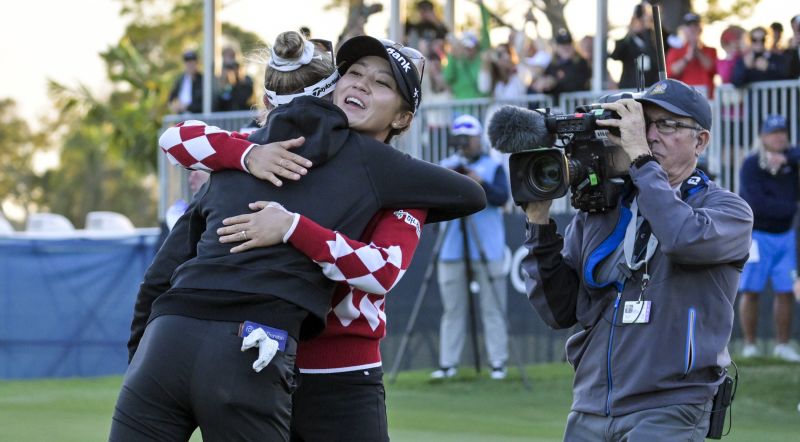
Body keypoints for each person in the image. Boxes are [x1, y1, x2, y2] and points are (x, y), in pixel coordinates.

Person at [112, 32, 486, 441]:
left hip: (337, 377)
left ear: (402, 117)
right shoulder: (265, 153)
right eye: (354, 72)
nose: (361, 83)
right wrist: (246, 155)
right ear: (331, 84)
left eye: (381, 82)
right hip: (260, 356)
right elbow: (176, 142)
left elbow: (385, 269)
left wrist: (292, 228)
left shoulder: (403, 183)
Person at [521, 78, 753, 440]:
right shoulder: (601, 210)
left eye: (669, 125)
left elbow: (681, 238)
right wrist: (539, 224)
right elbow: (559, 311)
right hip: (591, 403)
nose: (650, 135)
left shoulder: (727, 209)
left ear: (701, 141)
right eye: (645, 125)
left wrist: (642, 161)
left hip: (671, 405)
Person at [431, 114, 510, 380]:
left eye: (470, 137)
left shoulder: (493, 166)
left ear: (479, 138)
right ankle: (447, 364)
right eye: (461, 138)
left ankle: (498, 362)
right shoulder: (446, 167)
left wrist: (480, 182)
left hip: (488, 249)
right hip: (451, 248)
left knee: (493, 307)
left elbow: (501, 198)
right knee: (452, 309)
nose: (466, 143)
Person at [738, 114, 800, 362]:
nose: (779, 137)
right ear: (763, 137)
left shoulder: (791, 161)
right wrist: (787, 208)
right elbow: (756, 204)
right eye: (774, 133)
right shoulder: (752, 164)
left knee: (785, 291)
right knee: (750, 290)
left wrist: (787, 158)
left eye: (782, 133)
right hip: (758, 236)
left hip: (785, 236)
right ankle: (750, 344)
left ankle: (782, 345)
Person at [666, 13, 717, 97]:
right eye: (689, 26)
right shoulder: (674, 51)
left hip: (707, 98)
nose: (692, 28)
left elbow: (712, 69)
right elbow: (670, 73)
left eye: (695, 25)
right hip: (684, 99)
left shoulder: (711, 50)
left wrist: (698, 51)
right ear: (684, 29)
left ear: (701, 28)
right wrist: (687, 58)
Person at [610, 2, 660, 89]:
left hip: (651, 88)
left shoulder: (656, 40)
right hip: (630, 88)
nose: (641, 22)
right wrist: (630, 32)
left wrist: (649, 29)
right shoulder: (626, 41)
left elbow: (659, 60)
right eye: (639, 19)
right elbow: (615, 55)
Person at [167, 49, 203, 114]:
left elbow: (203, 104)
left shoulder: (202, 80)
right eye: (187, 62)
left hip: (197, 118)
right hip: (181, 117)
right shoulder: (179, 79)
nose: (189, 64)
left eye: (192, 61)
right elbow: (171, 98)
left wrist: (187, 107)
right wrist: (174, 106)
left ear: (196, 63)